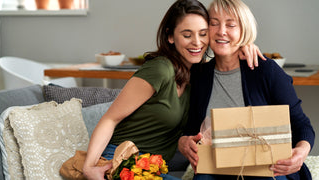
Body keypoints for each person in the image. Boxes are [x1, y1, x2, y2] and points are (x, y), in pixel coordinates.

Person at [83, 0, 264, 179]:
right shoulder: (160, 70)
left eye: (203, 34)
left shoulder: (199, 75)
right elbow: (110, 119)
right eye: (187, 35)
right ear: (170, 36)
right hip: (122, 160)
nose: (197, 42)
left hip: (154, 168)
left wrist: (244, 46)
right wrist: (89, 167)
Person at [178, 0, 315, 180]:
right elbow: (192, 128)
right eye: (214, 23)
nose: (221, 31)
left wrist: (301, 151)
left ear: (244, 30)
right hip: (215, 168)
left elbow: (302, 124)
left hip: (266, 168)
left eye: (231, 24)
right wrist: (183, 141)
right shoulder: (199, 74)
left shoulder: (265, 70)